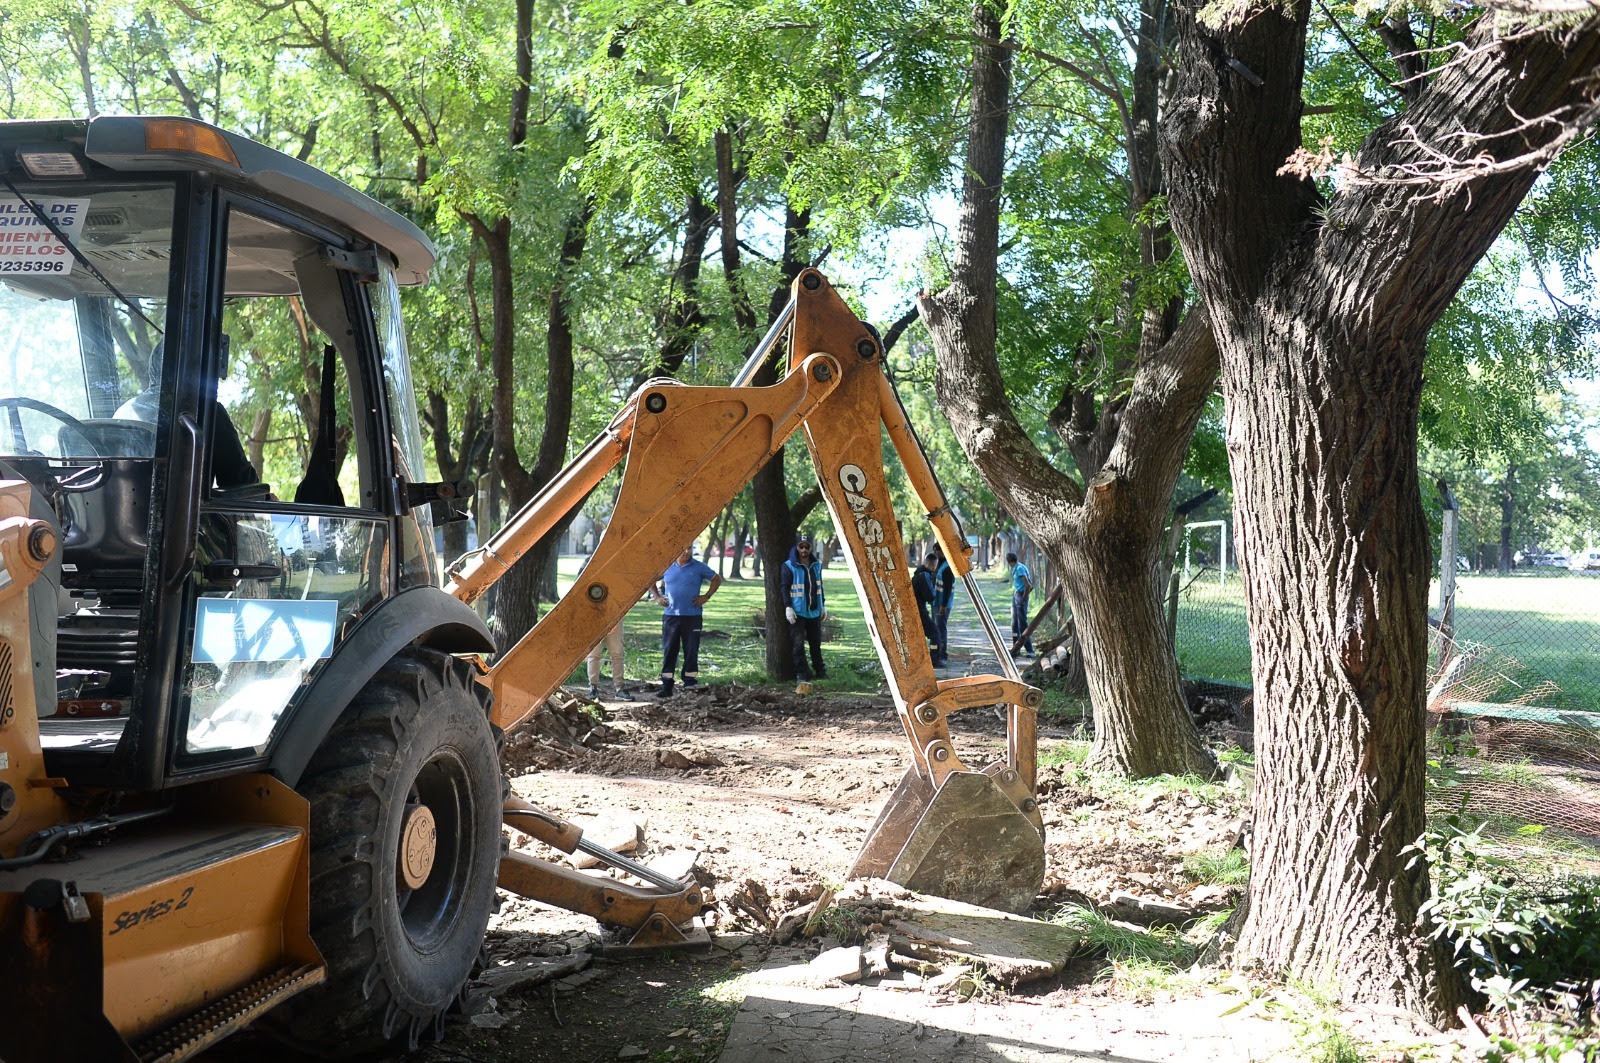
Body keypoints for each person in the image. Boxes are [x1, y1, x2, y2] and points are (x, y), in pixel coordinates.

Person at [652, 546, 722, 698]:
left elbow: (716, 579)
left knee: (691, 650)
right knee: (670, 650)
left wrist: (707, 596)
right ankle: (667, 684)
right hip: (671, 616)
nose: (686, 552)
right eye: (682, 548)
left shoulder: (699, 567)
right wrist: (657, 597)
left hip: (692, 616)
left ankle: (690, 683)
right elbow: (648, 579)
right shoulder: (666, 566)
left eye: (689, 548)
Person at [781, 537, 827, 693]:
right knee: (798, 645)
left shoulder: (817, 566)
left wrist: (823, 605)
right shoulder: (789, 566)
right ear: (797, 548)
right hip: (797, 612)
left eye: (807, 547)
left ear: (811, 548)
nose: (804, 550)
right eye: (801, 547)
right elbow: (784, 588)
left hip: (814, 611)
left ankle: (820, 672)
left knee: (816, 643)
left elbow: (820, 586)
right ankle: (801, 674)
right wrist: (788, 607)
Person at [587, 618, 633, 702]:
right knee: (593, 654)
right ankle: (593, 688)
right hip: (593, 619)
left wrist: (614, 619)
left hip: (615, 617)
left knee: (617, 654)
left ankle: (620, 689)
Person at [912, 552, 940, 664]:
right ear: (933, 564)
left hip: (917, 609)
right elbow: (930, 595)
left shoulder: (919, 573)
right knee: (935, 634)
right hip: (920, 610)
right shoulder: (924, 575)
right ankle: (934, 660)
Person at [1007, 551, 1035, 656]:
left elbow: (1028, 585)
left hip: (1020, 596)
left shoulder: (1019, 569)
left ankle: (1029, 650)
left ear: (1009, 561)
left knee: (1022, 624)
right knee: (1014, 624)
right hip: (1016, 595)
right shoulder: (1017, 567)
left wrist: (1023, 598)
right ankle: (1016, 648)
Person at [932, 547, 954, 667]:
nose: (935, 553)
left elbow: (948, 589)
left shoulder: (947, 567)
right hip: (936, 602)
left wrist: (943, 605)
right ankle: (936, 654)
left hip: (942, 604)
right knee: (936, 629)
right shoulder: (940, 565)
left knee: (940, 629)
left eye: (937, 550)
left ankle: (942, 656)